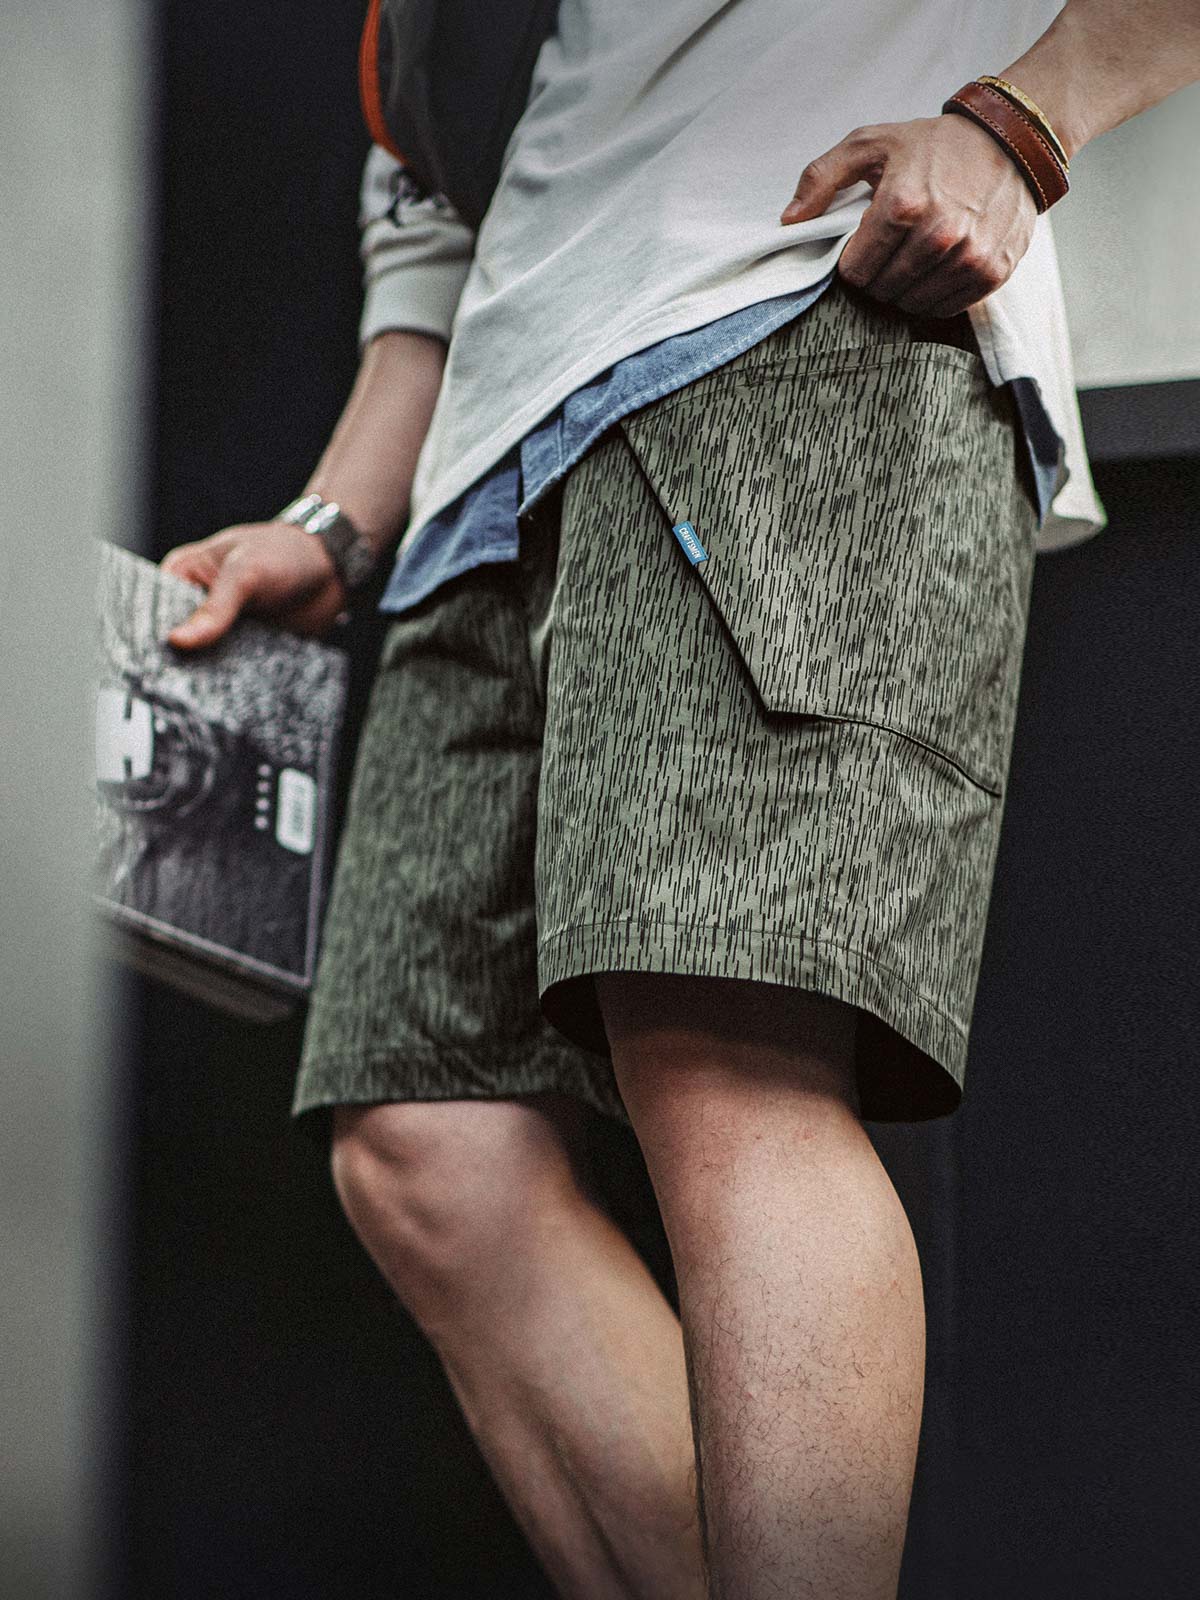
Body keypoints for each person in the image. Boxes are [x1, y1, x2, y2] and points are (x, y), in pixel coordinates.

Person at [162, 2, 1200, 1595]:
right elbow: (438, 188)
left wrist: (1024, 122)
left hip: (786, 307)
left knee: (725, 1055)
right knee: (429, 1148)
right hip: (495, 447)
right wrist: (337, 519)